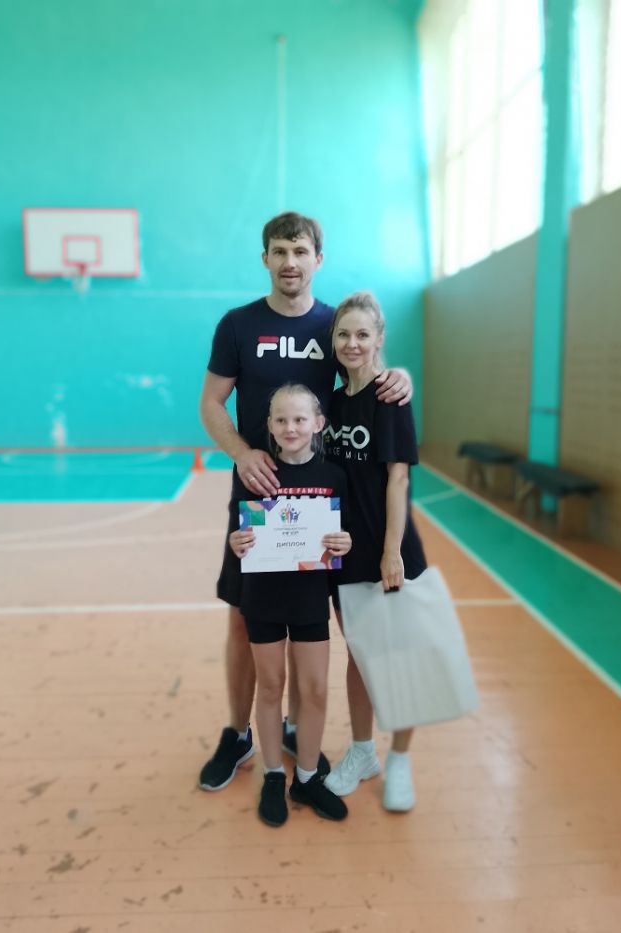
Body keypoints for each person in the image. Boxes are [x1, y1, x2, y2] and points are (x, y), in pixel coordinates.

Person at [198, 212, 412, 792]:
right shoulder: (238, 325)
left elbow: (367, 365)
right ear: (265, 259)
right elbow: (211, 403)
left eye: (299, 251)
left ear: (318, 259)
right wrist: (242, 453)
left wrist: (399, 377)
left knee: (333, 618)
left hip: (326, 497)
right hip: (260, 490)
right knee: (245, 619)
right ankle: (239, 733)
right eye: (279, 251)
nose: (289, 262)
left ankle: (314, 734)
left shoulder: (334, 325)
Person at [322, 291, 427, 812]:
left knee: (398, 659)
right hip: (345, 552)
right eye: (344, 334)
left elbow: (397, 480)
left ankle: (400, 758)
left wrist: (390, 552)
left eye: (363, 334)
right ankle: (363, 752)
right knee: (361, 655)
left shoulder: (391, 398)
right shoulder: (331, 404)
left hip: (391, 551)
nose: (352, 343)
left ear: (379, 338)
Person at [228, 383, 351, 826]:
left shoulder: (334, 476)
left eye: (300, 419)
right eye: (281, 420)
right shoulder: (257, 474)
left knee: (314, 688)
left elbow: (345, 536)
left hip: (309, 598)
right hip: (263, 597)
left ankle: (307, 776)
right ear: (270, 426)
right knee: (271, 685)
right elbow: (243, 534)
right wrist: (237, 542)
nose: (291, 427)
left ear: (318, 423)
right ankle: (274, 775)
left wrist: (346, 542)